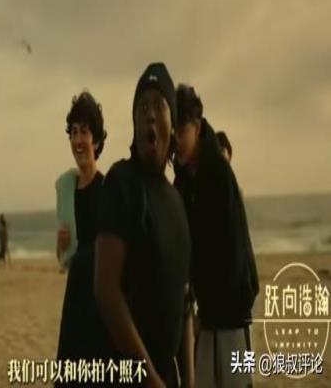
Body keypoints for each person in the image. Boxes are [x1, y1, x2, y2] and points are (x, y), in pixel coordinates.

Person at [95, 63, 193, 388]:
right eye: (142, 107)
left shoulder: (177, 201)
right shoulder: (121, 183)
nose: (150, 114)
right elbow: (106, 291)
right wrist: (150, 378)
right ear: (135, 125)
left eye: (159, 105)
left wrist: (190, 380)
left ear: (172, 124)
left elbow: (184, 301)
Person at [174, 84, 259, 388]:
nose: (176, 139)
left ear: (196, 126)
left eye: (181, 130)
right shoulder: (183, 179)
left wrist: (206, 308)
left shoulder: (219, 175)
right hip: (207, 313)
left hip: (234, 311)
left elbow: (232, 253)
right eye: (173, 131)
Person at [54, 91, 110, 386]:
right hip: (75, 298)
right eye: (73, 132)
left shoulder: (108, 190)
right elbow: (64, 258)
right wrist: (61, 246)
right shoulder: (67, 190)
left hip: (100, 301)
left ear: (97, 141)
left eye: (84, 132)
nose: (78, 140)